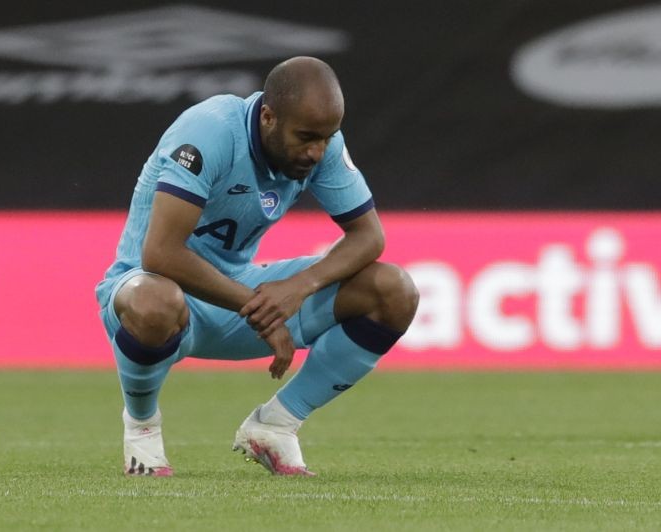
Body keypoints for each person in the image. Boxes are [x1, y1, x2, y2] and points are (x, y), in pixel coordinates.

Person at [96, 56, 419, 477]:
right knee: (156, 299)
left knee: (394, 290)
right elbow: (161, 254)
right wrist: (261, 309)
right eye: (305, 137)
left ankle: (276, 425)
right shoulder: (208, 131)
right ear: (267, 116)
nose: (316, 151)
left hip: (238, 295)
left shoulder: (321, 144)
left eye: (326, 137)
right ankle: (141, 429)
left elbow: (369, 236)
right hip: (147, 291)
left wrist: (299, 287)